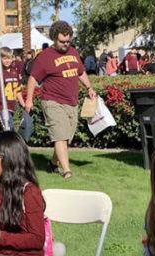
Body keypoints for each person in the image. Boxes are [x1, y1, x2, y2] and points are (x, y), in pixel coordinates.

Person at [24, 21, 98, 179]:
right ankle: (66, 171)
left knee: (66, 138)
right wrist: (29, 100)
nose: (66, 44)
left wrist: (89, 88)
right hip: (53, 101)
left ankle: (52, 162)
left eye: (68, 41)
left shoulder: (73, 52)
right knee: (60, 137)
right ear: (53, 39)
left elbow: (80, 72)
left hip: (72, 102)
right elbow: (32, 79)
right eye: (62, 42)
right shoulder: (44, 57)